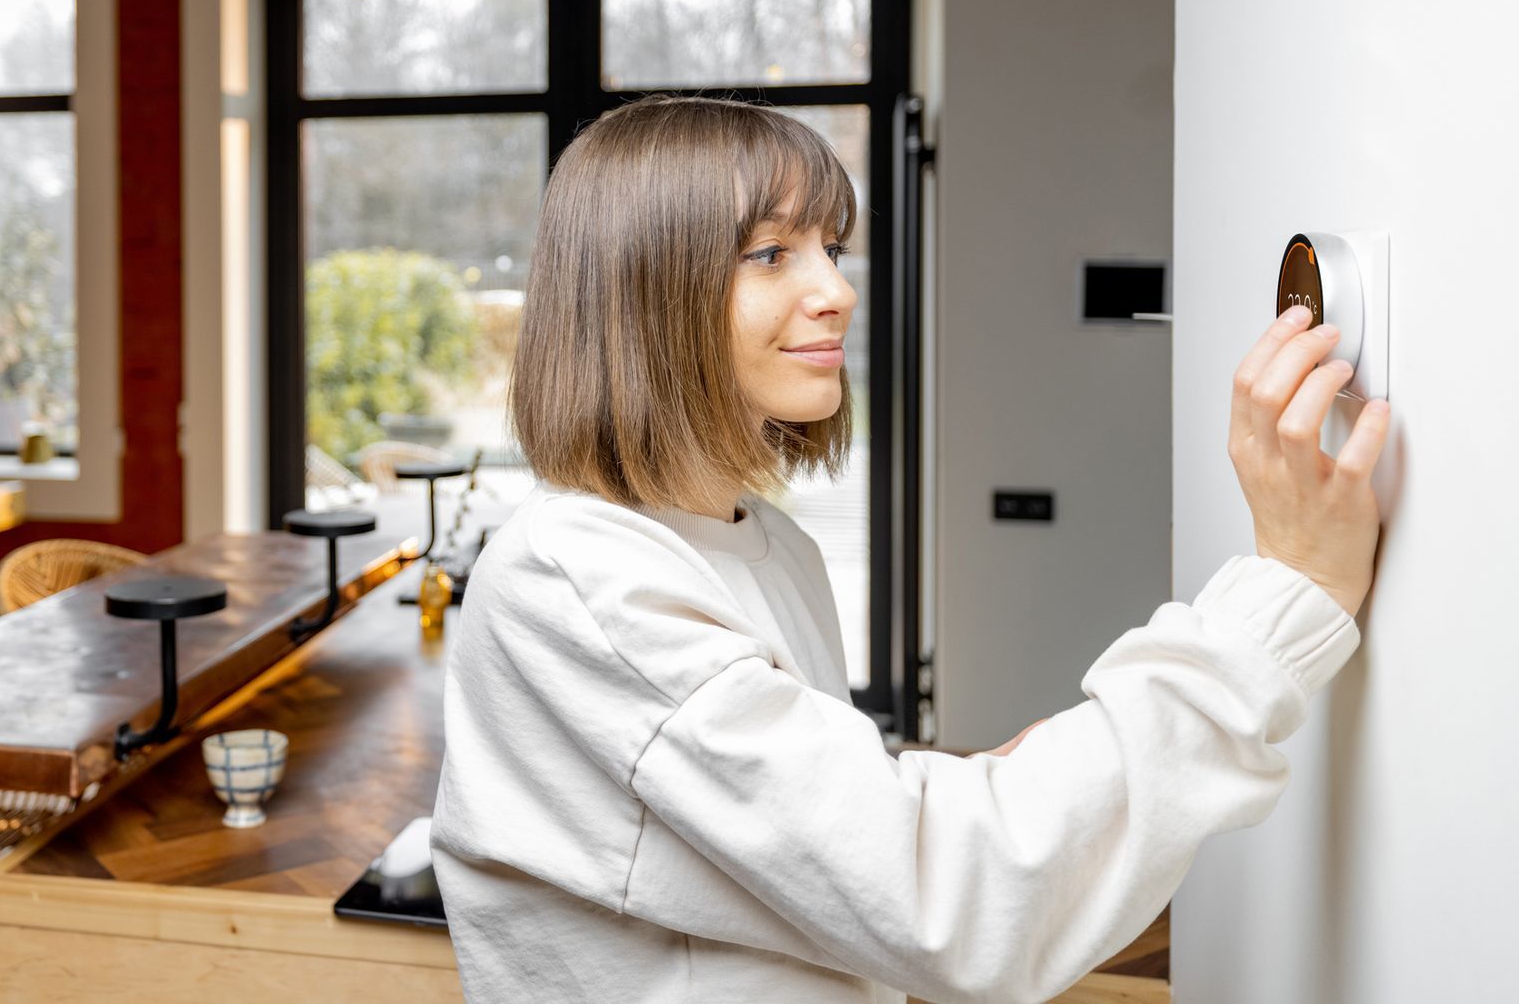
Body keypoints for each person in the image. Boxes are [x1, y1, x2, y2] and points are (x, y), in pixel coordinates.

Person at [428, 95, 1390, 1003]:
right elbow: (952, 903)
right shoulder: (576, 573)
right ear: (641, 293)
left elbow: (816, 832)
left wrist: (959, 790)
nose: (837, 291)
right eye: (771, 253)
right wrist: (1284, 597)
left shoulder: (769, 547)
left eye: (830, 247)